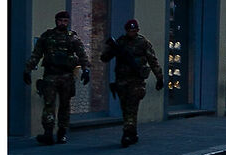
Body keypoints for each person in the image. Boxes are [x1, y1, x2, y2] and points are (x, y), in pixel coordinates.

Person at [22, 12, 91, 145]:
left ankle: (62, 133)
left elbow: (82, 54)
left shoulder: (72, 38)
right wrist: (28, 69)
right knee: (49, 105)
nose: (63, 23)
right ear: (56, 21)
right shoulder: (47, 37)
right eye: (60, 21)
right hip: (51, 75)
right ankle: (48, 133)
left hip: (66, 76)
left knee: (65, 105)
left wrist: (85, 70)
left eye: (65, 21)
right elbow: (36, 54)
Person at [101, 18, 165, 146]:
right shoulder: (121, 42)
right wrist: (112, 49)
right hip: (121, 80)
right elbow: (105, 58)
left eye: (134, 30)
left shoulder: (143, 43)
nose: (132, 32)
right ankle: (133, 132)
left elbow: (153, 61)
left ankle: (127, 133)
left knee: (132, 106)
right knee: (125, 108)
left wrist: (160, 78)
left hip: (136, 81)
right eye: (130, 30)